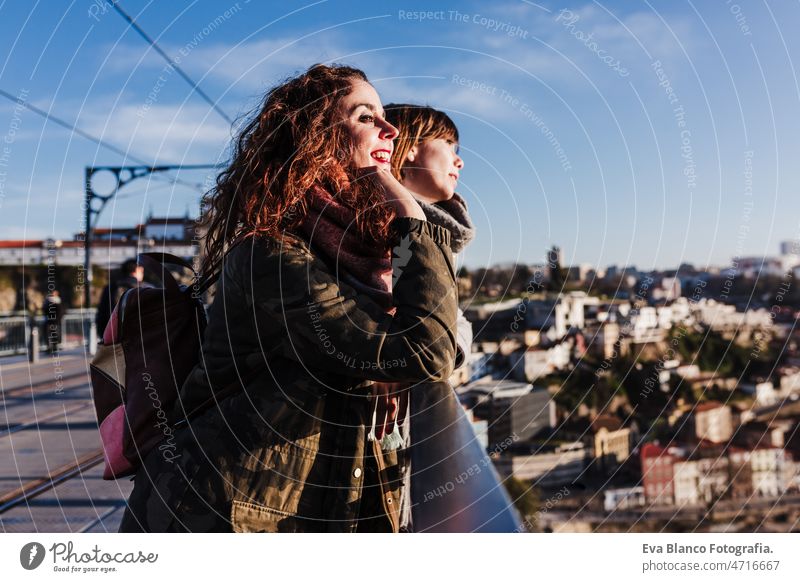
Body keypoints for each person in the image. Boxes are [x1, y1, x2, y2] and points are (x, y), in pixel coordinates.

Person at [118, 64, 458, 533]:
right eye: (366, 117)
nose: (390, 129)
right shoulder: (271, 253)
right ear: (315, 141)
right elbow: (425, 351)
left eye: (385, 116)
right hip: (223, 513)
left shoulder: (356, 249)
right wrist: (409, 215)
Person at [384, 104, 475, 368]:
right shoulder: (376, 222)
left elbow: (455, 322)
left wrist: (450, 350)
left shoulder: (442, 235)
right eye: (448, 143)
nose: (460, 160)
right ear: (411, 147)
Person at [95, 258, 144, 336]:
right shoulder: (145, 288)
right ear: (137, 270)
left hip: (113, 335)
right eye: (142, 271)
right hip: (137, 336)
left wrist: (103, 335)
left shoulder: (109, 288)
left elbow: (102, 313)